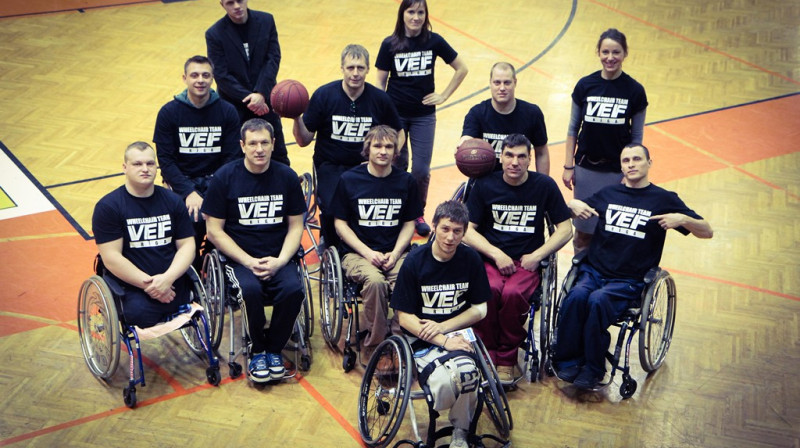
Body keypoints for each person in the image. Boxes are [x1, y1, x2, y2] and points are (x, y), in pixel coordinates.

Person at [553, 144, 713, 390]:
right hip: (594, 271)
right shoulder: (608, 194)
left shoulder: (663, 199)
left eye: (637, 159)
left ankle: (594, 368)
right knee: (575, 297)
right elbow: (568, 212)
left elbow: (707, 232)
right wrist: (572, 206)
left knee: (597, 301)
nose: (631, 164)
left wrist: (683, 219)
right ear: (621, 166)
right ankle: (568, 360)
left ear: (649, 162)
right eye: (626, 160)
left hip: (629, 280)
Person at [462, 134, 572, 383]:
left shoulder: (544, 185)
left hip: (526, 261)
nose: (515, 162)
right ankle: (486, 352)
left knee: (511, 294)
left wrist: (538, 255)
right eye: (509, 155)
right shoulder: (485, 185)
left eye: (522, 156)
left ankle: (507, 358)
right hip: (492, 259)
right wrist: (495, 253)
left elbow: (566, 229)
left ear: (530, 159)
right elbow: (467, 229)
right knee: (488, 291)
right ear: (500, 158)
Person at [201, 118, 305, 383]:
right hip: (240, 259)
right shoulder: (225, 178)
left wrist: (281, 261)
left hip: (279, 256)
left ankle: (273, 349)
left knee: (294, 289)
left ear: (273, 145)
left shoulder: (287, 177)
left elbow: (296, 226)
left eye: (264, 143)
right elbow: (214, 230)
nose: (259, 149)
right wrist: (248, 261)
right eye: (253, 143)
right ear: (242, 146)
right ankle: (257, 349)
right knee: (250, 291)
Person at [391, 200, 490, 448]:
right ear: (434, 226)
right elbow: (404, 318)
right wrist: (442, 339)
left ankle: (460, 430)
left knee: (467, 375)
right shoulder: (414, 262)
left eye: (457, 231)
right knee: (445, 382)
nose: (450, 237)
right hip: (420, 337)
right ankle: (446, 415)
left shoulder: (471, 259)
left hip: (457, 332)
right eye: (445, 229)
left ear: (465, 232)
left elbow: (480, 309)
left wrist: (444, 327)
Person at [293, 44, 404, 246]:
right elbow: (303, 141)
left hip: (366, 165)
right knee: (331, 204)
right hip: (331, 165)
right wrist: (296, 118)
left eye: (360, 68)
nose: (355, 73)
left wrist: (387, 158)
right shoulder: (324, 95)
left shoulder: (379, 99)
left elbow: (399, 133)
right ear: (342, 68)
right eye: (351, 67)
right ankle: (330, 242)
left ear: (368, 69)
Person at [375, 0, 468, 235]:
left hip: (424, 116)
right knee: (396, 163)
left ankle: (416, 212)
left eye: (420, 12)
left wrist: (444, 95)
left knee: (421, 170)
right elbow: (379, 83)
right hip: (395, 116)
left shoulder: (433, 41)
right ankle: (394, 212)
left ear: (426, 15)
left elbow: (461, 68)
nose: (415, 17)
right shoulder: (389, 44)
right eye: (411, 12)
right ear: (402, 14)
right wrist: (385, 115)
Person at [330, 125, 423, 360]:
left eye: (389, 146)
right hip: (357, 254)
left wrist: (395, 253)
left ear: (396, 152)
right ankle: (376, 346)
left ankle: (399, 334)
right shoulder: (349, 180)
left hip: (395, 252)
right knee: (375, 282)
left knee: (410, 277)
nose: (383, 151)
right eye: (378, 146)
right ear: (367, 149)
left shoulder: (406, 182)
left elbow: (409, 224)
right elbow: (340, 225)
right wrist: (368, 253)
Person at [562, 28, 648, 254]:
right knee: (583, 234)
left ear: (625, 54)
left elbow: (637, 138)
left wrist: (630, 173)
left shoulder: (635, 91)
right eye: (605, 52)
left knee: (612, 233)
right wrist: (568, 166)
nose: (610, 58)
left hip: (616, 174)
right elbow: (572, 129)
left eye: (616, 52)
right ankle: (579, 279)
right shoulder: (585, 86)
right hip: (585, 170)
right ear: (598, 53)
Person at [92, 141, 195, 328]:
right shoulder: (108, 207)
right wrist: (151, 286)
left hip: (172, 284)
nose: (145, 169)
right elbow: (111, 257)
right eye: (137, 164)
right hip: (133, 289)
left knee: (194, 306)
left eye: (150, 163)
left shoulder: (173, 201)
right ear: (125, 168)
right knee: (139, 315)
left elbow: (187, 245)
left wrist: (168, 279)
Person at [153, 55, 241, 266]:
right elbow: (165, 161)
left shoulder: (227, 111)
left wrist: (213, 191)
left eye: (205, 75)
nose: (200, 80)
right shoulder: (168, 113)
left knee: (228, 224)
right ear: (185, 78)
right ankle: (191, 269)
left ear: (213, 79)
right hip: (184, 183)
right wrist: (189, 193)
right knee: (190, 225)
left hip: (217, 181)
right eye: (194, 75)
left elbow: (232, 158)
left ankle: (216, 265)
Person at [205, 0, 290, 166]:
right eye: (230, 3)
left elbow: (273, 59)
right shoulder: (214, 34)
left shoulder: (266, 21)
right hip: (235, 106)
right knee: (236, 158)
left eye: (240, 0)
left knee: (277, 152)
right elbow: (221, 75)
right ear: (222, 4)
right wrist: (250, 97)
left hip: (265, 100)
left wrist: (260, 93)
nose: (236, 6)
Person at [460, 62, 550, 175]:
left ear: (515, 83)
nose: (502, 88)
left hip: (518, 181)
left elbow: (541, 152)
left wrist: (542, 184)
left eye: (507, 83)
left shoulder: (532, 113)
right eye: (497, 83)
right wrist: (462, 145)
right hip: (486, 182)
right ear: (490, 83)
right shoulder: (477, 113)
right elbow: (467, 138)